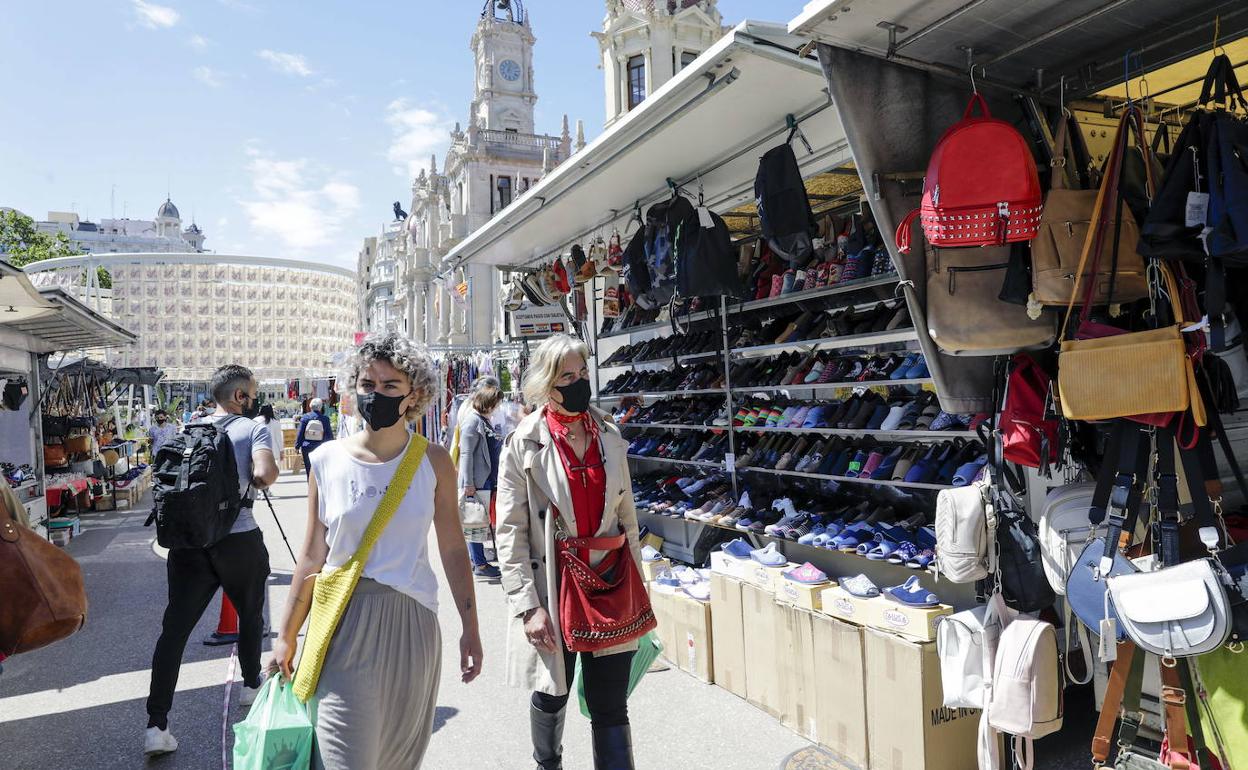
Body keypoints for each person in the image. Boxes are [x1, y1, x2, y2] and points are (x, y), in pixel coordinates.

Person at [270, 332, 483, 770]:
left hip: (413, 623)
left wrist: (471, 627)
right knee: (341, 759)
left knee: (397, 761)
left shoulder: (435, 461)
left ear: (414, 395)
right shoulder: (326, 461)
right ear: (353, 389)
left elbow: (454, 551)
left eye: (390, 387)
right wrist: (286, 635)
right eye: (368, 385)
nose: (376, 395)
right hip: (343, 624)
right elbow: (312, 557)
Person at [495, 333, 644, 770]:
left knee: (611, 703)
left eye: (583, 373)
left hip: (610, 582)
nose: (579, 383)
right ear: (546, 384)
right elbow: (510, 531)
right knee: (551, 691)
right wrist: (528, 607)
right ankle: (548, 764)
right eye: (567, 377)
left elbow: (627, 517)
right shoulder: (523, 443)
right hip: (553, 587)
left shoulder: (609, 434)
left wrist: (638, 587)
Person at [144, 365, 279, 757]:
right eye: (251, 394)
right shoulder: (252, 428)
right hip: (237, 538)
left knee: (174, 632)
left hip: (188, 543)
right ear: (240, 397)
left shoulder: (188, 429)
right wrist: (253, 477)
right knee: (251, 614)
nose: (254, 401)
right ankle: (251, 687)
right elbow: (266, 473)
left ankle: (157, 725)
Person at [457, 378, 504, 580]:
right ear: (489, 402)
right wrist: (468, 483)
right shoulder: (472, 421)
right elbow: (465, 453)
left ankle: (478, 560)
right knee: (474, 521)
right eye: (496, 403)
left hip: (483, 479)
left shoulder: (482, 420)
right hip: (476, 481)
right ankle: (480, 564)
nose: (498, 407)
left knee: (478, 521)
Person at [296, 397, 334, 477]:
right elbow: (329, 435)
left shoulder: (305, 418)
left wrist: (297, 446)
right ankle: (320, 488)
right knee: (321, 469)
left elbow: (300, 433)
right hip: (321, 446)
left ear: (310, 406)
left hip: (307, 446)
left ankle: (311, 487)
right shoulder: (325, 419)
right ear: (321, 407)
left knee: (309, 469)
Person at [257, 404, 285, 473]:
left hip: (260, 446)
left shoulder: (256, 420)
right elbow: (279, 438)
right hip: (274, 447)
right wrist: (281, 451)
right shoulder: (276, 422)